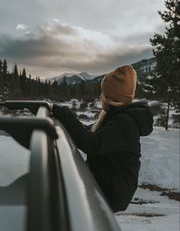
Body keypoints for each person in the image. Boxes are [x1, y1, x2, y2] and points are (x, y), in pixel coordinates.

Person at [52, 65, 153, 212]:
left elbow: (92, 144)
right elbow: (92, 133)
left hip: (113, 191)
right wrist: (69, 121)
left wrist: (65, 116)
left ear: (110, 95)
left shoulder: (124, 123)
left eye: (103, 91)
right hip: (107, 181)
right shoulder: (115, 116)